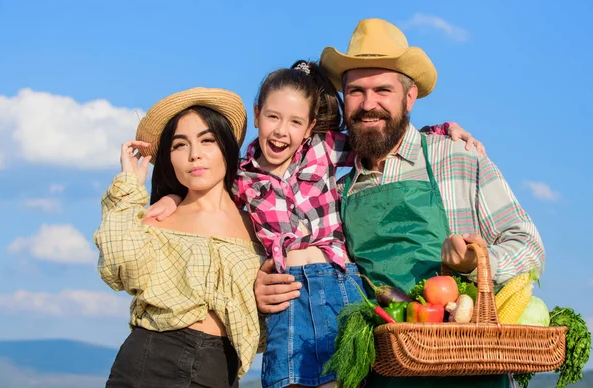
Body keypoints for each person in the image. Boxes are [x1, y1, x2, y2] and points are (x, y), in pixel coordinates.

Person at [147, 60, 483, 388]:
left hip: (339, 284)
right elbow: (206, 196)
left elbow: (384, 139)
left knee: (344, 379)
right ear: (258, 114)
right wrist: (173, 199)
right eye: (273, 117)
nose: (281, 131)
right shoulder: (240, 179)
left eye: (295, 122)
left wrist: (442, 131)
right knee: (288, 379)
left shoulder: (325, 149)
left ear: (309, 127)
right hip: (288, 292)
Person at [255, 18, 545, 388]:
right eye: (357, 91)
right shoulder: (331, 178)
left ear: (409, 97)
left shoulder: (456, 159)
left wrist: (477, 264)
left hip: (466, 374)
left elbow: (529, 246)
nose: (368, 104)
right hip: (375, 376)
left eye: (383, 90)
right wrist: (264, 286)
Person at [93, 87, 266, 388]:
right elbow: (119, 268)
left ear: (226, 146)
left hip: (222, 371)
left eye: (207, 140)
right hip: (150, 361)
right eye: (179, 145)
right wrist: (129, 186)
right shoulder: (158, 219)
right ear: (169, 159)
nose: (194, 154)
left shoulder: (260, 223)